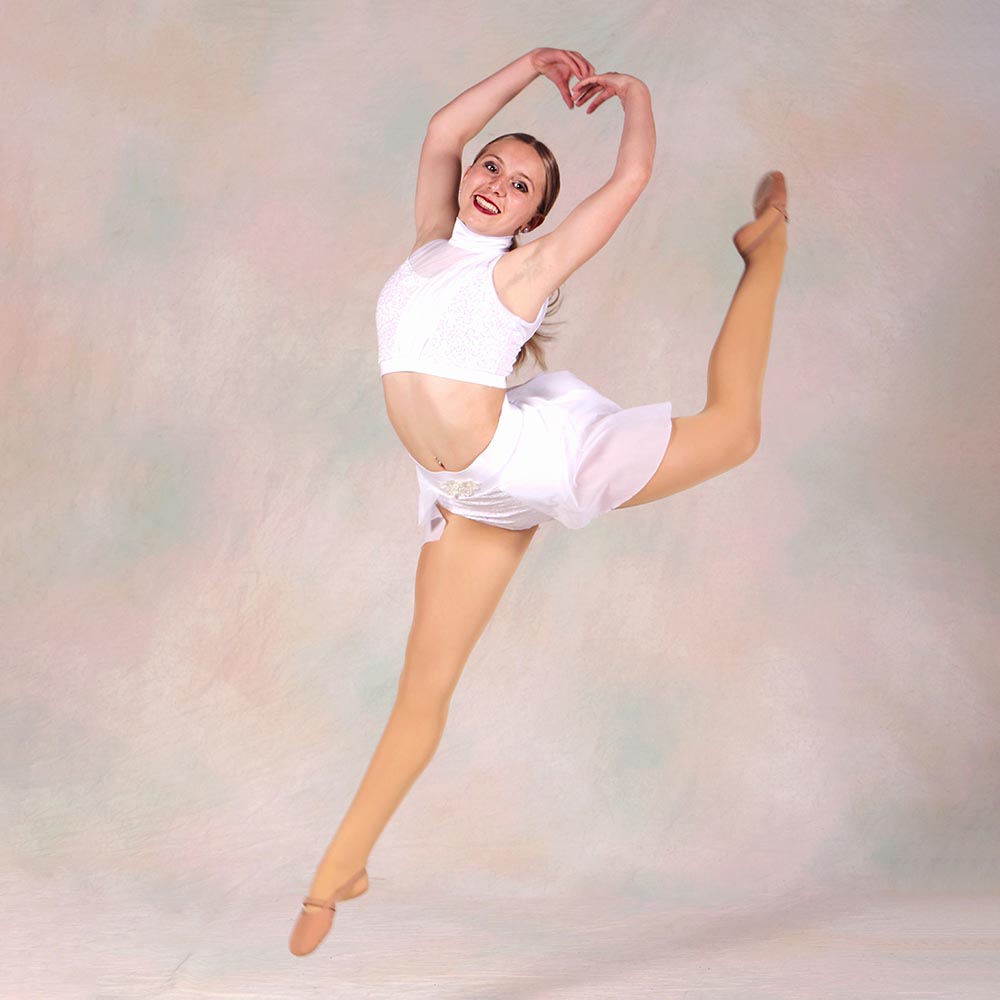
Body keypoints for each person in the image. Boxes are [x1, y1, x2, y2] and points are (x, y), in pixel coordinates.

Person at [289, 47, 788, 956]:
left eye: (520, 186)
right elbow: (442, 130)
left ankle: (767, 252)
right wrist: (527, 66)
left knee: (735, 432)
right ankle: (339, 871)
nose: (496, 184)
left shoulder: (520, 276)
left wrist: (635, 93)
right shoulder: (430, 246)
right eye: (492, 166)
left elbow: (630, 178)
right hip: (464, 491)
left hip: (530, 462)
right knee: (422, 687)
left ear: (535, 220)